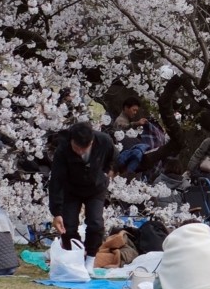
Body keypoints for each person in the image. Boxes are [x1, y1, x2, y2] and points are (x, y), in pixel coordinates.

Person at [48, 121, 115, 257]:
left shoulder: (104, 141)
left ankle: (91, 256)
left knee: (95, 223)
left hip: (96, 188)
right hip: (71, 189)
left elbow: (113, 158)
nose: (80, 152)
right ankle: (75, 254)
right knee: (68, 226)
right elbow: (56, 180)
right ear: (71, 140)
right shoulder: (63, 149)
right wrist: (56, 212)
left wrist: (107, 172)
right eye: (77, 148)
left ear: (92, 142)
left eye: (84, 148)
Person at [112, 99, 168, 177]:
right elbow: (123, 126)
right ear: (126, 108)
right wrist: (137, 123)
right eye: (133, 110)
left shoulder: (126, 119)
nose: (135, 113)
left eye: (136, 111)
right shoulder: (121, 120)